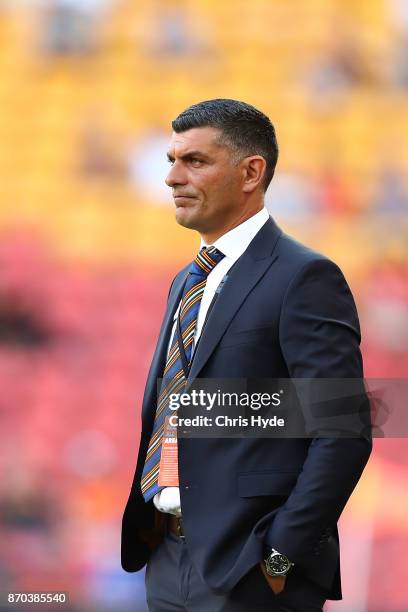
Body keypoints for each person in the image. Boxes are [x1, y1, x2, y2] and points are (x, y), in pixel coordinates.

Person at [121, 99, 372, 611]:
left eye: (194, 161)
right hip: (168, 562)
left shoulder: (304, 277)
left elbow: (342, 433)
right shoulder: (186, 280)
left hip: (251, 571)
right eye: (171, 160)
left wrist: (279, 560)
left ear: (251, 172)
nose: (172, 177)